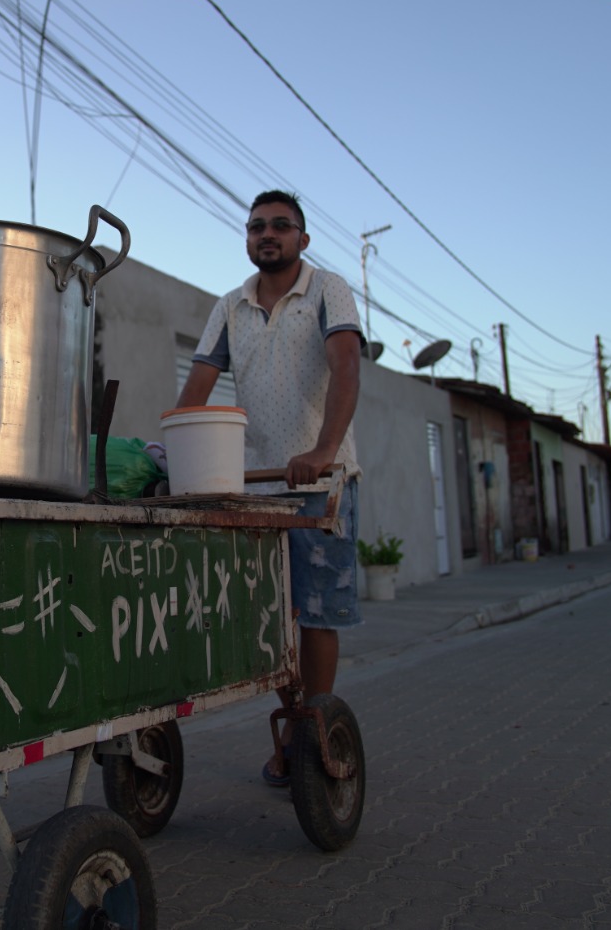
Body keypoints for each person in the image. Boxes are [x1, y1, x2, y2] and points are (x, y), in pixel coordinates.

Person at [174, 189, 363, 787]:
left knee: (315, 617)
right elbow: (197, 387)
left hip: (320, 484)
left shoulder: (327, 289)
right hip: (258, 490)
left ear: (302, 240)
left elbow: (347, 367)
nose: (267, 234)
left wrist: (323, 451)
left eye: (281, 226)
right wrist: (175, 451)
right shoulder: (230, 305)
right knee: (272, 621)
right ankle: (291, 726)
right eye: (257, 226)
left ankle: (312, 732)